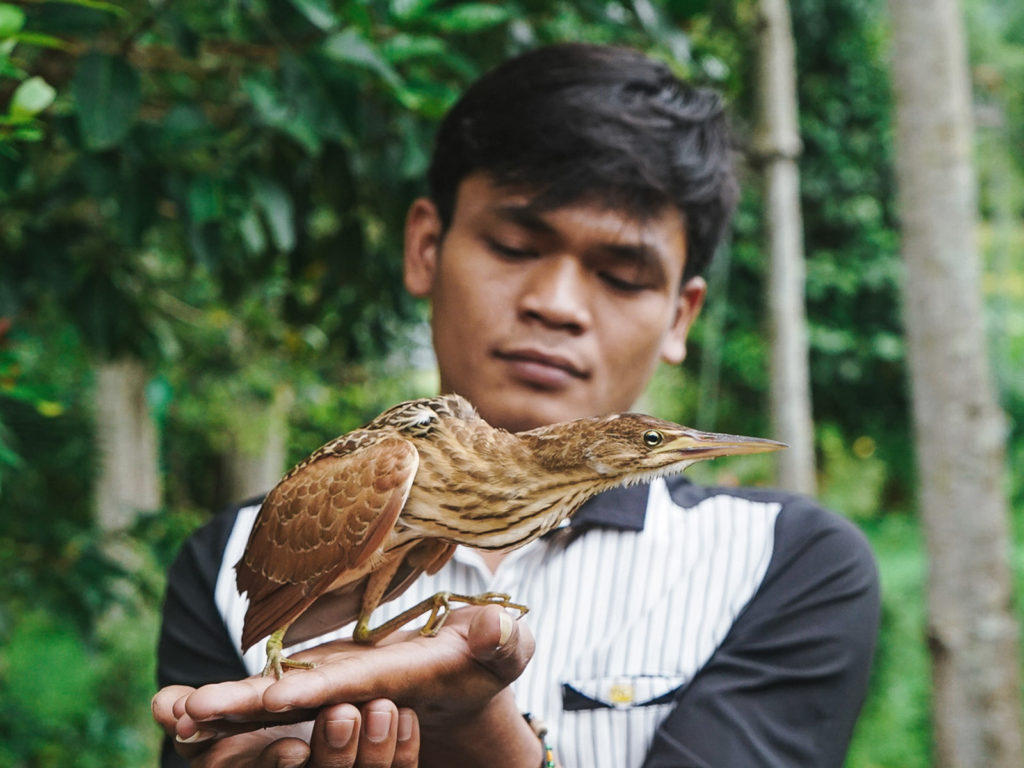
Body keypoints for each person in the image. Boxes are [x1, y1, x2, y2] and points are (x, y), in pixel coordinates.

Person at [152, 43, 880, 768]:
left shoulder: (789, 564)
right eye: (512, 245)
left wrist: (482, 739)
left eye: (622, 277)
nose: (556, 306)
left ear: (681, 318)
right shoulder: (226, 558)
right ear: (425, 249)